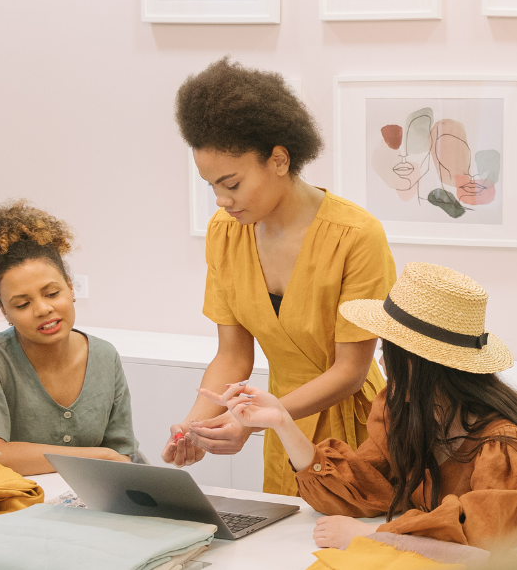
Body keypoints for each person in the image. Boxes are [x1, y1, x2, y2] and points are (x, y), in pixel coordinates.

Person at [199, 262, 517, 551]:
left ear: (422, 364)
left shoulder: (504, 446)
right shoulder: (399, 411)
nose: (383, 363)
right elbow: (361, 486)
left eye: (389, 351)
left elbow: (476, 537)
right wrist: (281, 420)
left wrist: (370, 536)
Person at [164, 58, 397, 495]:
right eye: (210, 185)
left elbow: (351, 370)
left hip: (355, 427)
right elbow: (233, 357)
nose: (220, 200)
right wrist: (195, 423)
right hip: (277, 421)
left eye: (231, 184)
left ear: (278, 159)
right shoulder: (226, 233)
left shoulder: (356, 235)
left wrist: (251, 419)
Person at [0, 199, 139, 474]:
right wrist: (99, 457)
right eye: (22, 304)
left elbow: (122, 455)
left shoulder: (104, 356)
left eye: (52, 293)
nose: (43, 309)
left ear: (71, 288)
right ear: (4, 311)